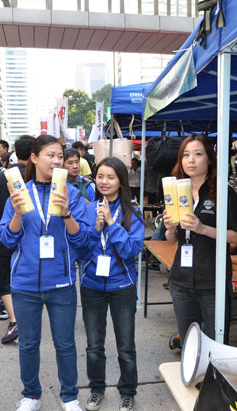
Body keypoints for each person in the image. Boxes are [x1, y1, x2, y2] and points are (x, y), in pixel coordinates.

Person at [0, 135, 87, 411]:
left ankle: (70, 397)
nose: (57, 161)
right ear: (34, 158)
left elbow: (82, 241)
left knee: (65, 344)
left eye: (60, 156)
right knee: (28, 344)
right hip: (25, 285)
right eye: (51, 155)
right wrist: (15, 214)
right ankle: (31, 395)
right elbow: (6, 241)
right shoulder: (19, 192)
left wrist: (66, 215)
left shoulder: (72, 194)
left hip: (61, 283)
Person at [77, 157, 144, 411]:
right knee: (94, 345)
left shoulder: (132, 212)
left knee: (126, 345)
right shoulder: (86, 209)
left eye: (111, 177)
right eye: (100, 176)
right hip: (92, 285)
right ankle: (96, 389)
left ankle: (127, 391)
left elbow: (130, 250)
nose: (104, 182)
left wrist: (113, 224)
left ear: (121, 181)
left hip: (122, 287)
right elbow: (81, 250)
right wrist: (95, 228)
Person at [162, 134, 237, 343]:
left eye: (198, 154)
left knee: (216, 343)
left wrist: (203, 228)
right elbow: (172, 240)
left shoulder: (223, 193)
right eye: (186, 155)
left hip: (212, 282)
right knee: (189, 343)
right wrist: (169, 228)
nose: (191, 160)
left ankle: (211, 376)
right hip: (181, 280)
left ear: (209, 159)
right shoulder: (175, 191)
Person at [0, 135, 35, 344]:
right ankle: (22, 316)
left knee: (3, 279)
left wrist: (0, 228)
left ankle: (14, 319)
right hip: (33, 238)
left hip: (5, 237)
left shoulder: (1, 177)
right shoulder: (39, 177)